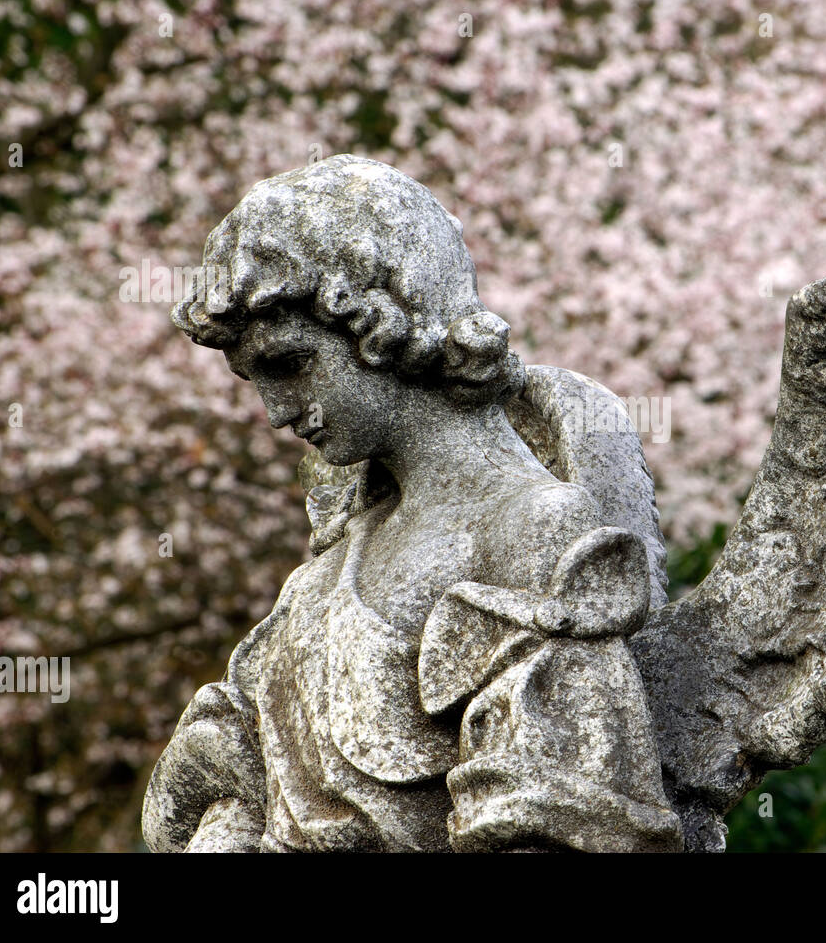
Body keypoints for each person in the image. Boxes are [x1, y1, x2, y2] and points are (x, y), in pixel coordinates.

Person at [142, 155, 682, 852]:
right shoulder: (322, 574)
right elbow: (205, 778)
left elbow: (559, 823)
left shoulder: (533, 533)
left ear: (387, 325)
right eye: (254, 380)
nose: (276, 412)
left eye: (290, 363)